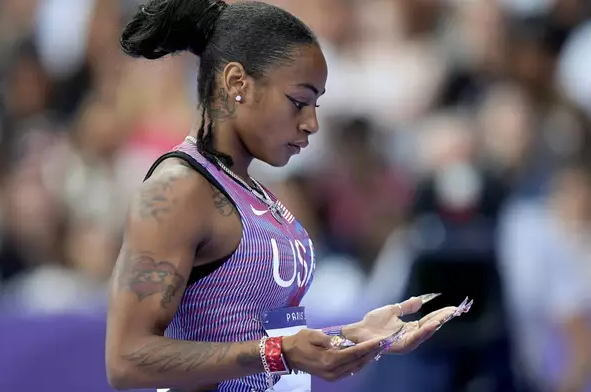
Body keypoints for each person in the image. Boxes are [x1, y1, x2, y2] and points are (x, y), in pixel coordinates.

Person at [105, 1, 466, 391]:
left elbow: (260, 337)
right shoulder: (178, 188)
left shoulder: (254, 191)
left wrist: (352, 334)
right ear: (237, 83)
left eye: (316, 104)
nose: (311, 123)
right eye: (298, 101)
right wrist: (280, 352)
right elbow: (127, 359)